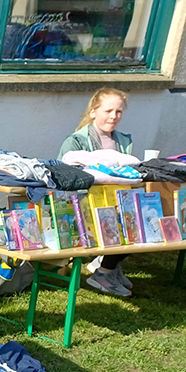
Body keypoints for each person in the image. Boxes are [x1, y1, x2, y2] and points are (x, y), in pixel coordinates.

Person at [58, 87, 133, 297]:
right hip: (82, 203)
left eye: (118, 112)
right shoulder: (75, 141)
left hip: (113, 200)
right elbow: (66, 180)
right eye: (108, 111)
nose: (114, 116)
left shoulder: (123, 140)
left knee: (142, 216)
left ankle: (110, 265)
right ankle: (104, 272)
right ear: (93, 111)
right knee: (128, 220)